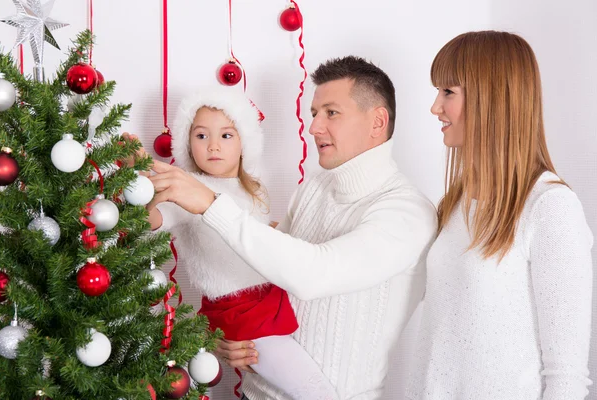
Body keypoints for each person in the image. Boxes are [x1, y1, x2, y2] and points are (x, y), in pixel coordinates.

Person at [147, 56, 438, 399]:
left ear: (377, 122)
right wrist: (229, 338)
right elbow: (264, 265)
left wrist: (210, 203)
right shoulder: (313, 188)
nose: (314, 127)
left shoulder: (407, 213)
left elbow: (314, 274)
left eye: (331, 112)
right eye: (314, 113)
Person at [405, 31, 593, 399]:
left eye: (448, 92)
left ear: (490, 97)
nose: (435, 107)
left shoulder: (550, 208)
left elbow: (566, 376)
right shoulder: (456, 203)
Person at [126, 87, 338, 399]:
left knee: (305, 378)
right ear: (188, 143)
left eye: (225, 135)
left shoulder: (254, 189)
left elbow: (260, 235)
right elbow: (152, 221)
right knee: (312, 389)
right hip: (242, 314)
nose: (213, 145)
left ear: (243, 143)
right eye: (201, 136)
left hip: (271, 297)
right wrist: (141, 185)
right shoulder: (186, 190)